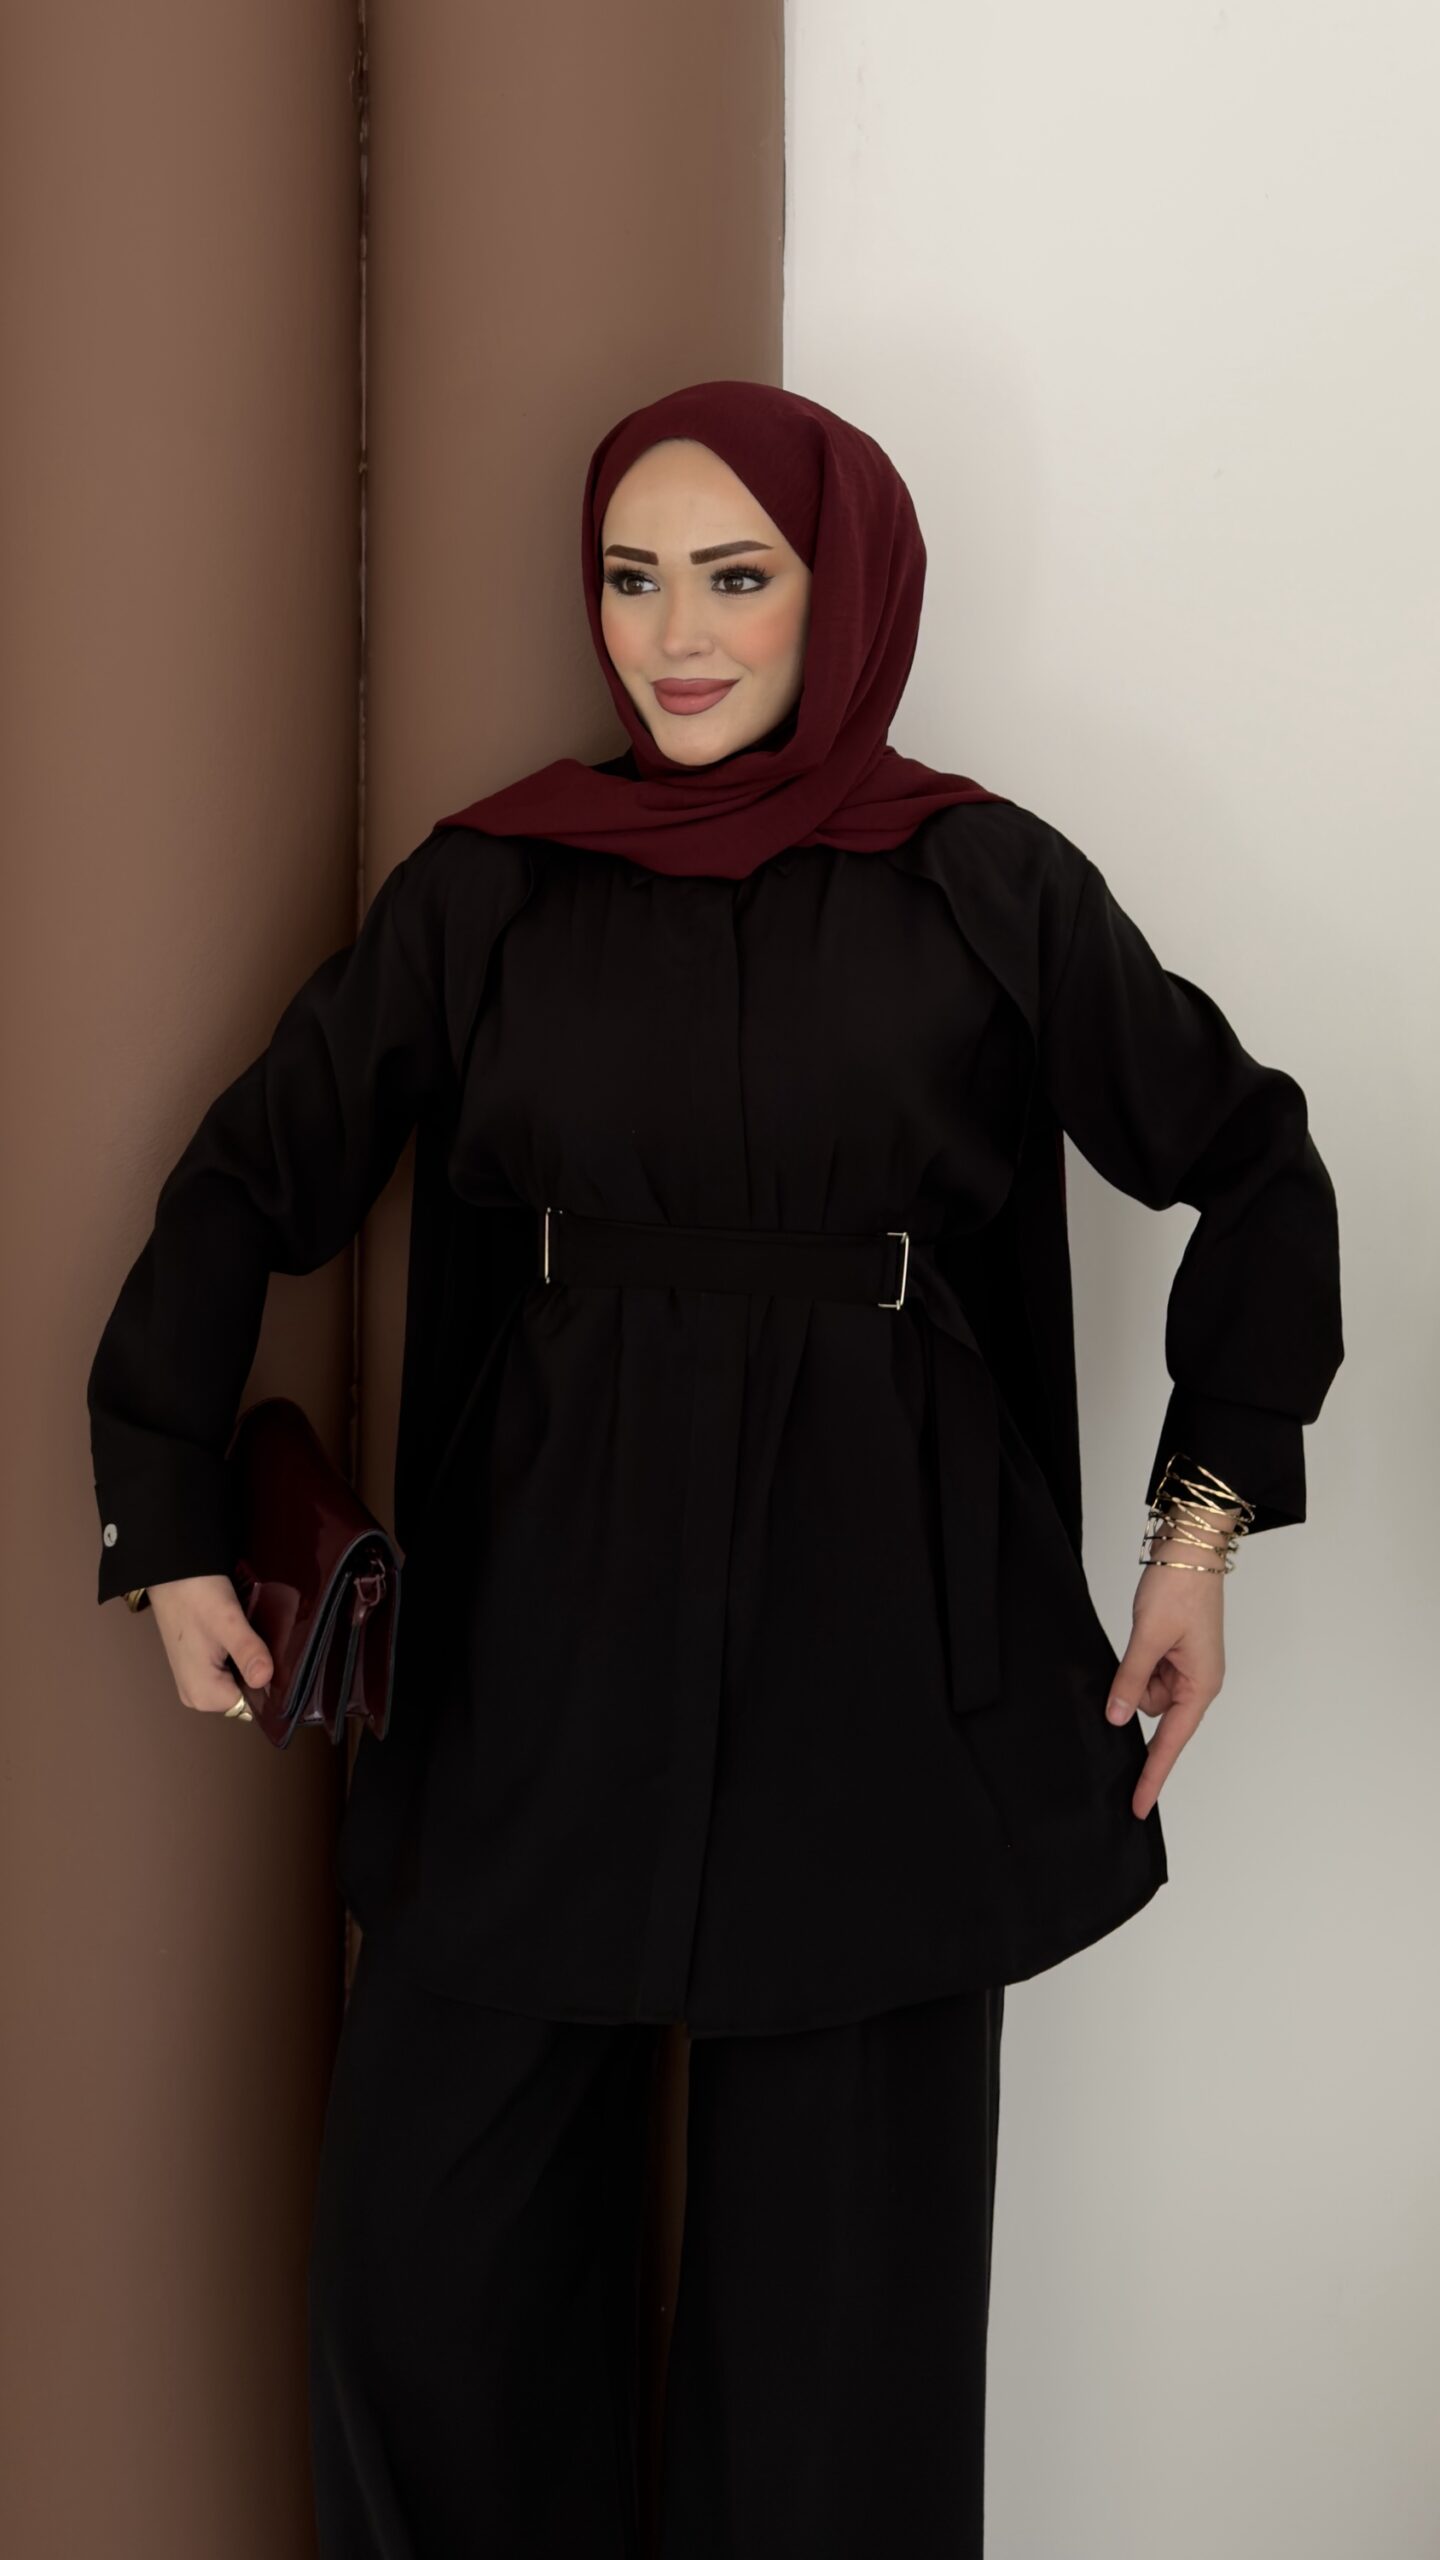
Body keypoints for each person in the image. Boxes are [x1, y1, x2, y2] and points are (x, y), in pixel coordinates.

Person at [86, 378, 1344, 2556]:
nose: (676, 634)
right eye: (633, 577)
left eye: (737, 577)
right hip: (542, 1645)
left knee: (835, 2376)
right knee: (423, 2286)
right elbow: (252, 1173)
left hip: (885, 1662)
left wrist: (1197, 1535)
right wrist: (170, 1506)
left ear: (840, 593)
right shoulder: (493, 886)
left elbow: (1255, 1162)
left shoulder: (985, 881)